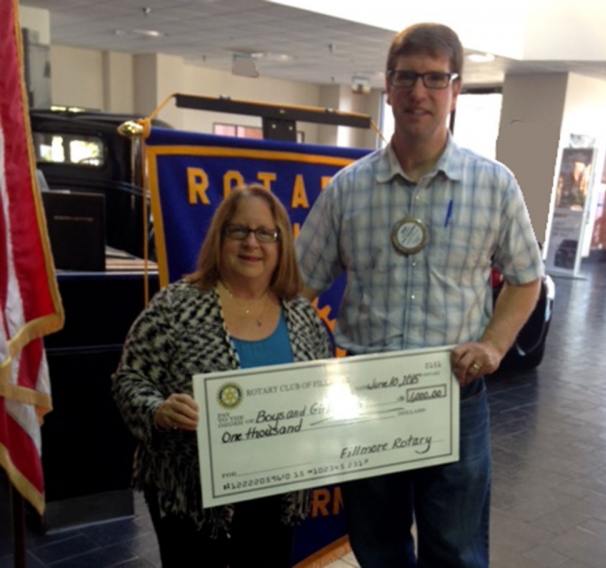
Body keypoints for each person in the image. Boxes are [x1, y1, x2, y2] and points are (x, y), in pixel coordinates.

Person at [295, 23, 543, 568]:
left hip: (454, 398)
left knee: (455, 551)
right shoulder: (347, 189)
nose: (419, 92)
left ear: (456, 90)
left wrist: (495, 345)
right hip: (367, 399)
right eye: (406, 77)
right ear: (387, 85)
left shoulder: (495, 185)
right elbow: (297, 285)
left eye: (435, 78)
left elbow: (527, 278)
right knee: (376, 546)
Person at [112, 184, 333, 568]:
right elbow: (129, 380)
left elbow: (324, 395)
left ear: (281, 245)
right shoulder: (175, 306)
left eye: (266, 233)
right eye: (239, 230)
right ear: (220, 237)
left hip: (277, 495)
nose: (252, 242)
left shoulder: (302, 317)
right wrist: (158, 410)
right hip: (189, 493)